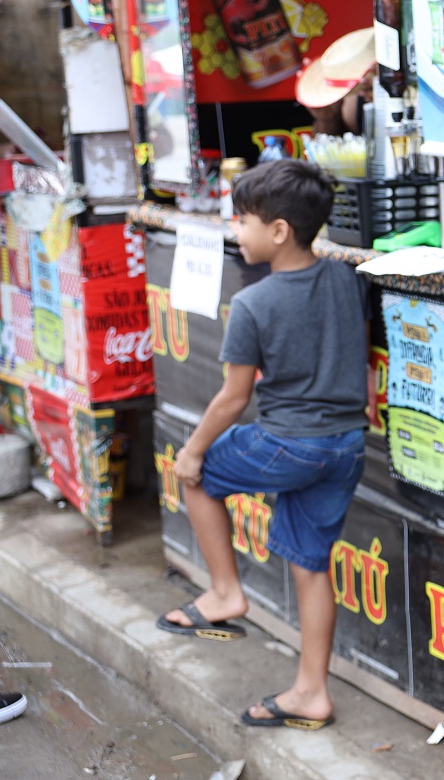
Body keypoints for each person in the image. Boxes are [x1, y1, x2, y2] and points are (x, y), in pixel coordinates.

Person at [157, 160, 369, 732]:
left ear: (278, 231)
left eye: (243, 220)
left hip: (289, 443)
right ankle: (310, 693)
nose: (235, 231)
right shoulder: (345, 278)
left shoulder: (253, 304)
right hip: (347, 446)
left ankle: (225, 592)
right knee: (309, 566)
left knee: (195, 476)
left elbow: (232, 399)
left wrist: (193, 451)